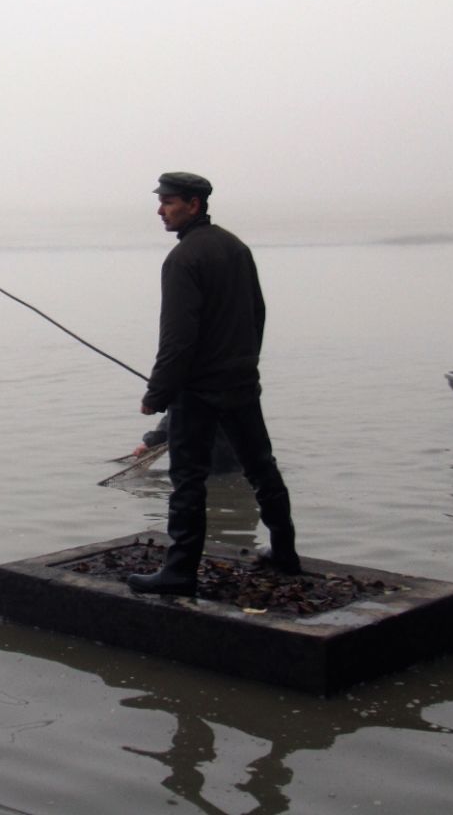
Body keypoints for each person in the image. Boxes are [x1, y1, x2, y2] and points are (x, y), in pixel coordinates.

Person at [128, 172, 300, 597]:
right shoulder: (235, 247)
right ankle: (285, 552)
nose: (160, 210)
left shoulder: (183, 259)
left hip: (198, 391)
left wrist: (157, 394)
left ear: (194, 204)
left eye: (169, 202)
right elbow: (258, 313)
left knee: (187, 480)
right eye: (161, 201)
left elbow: (177, 337)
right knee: (261, 468)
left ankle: (179, 572)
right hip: (241, 382)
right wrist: (245, 364)